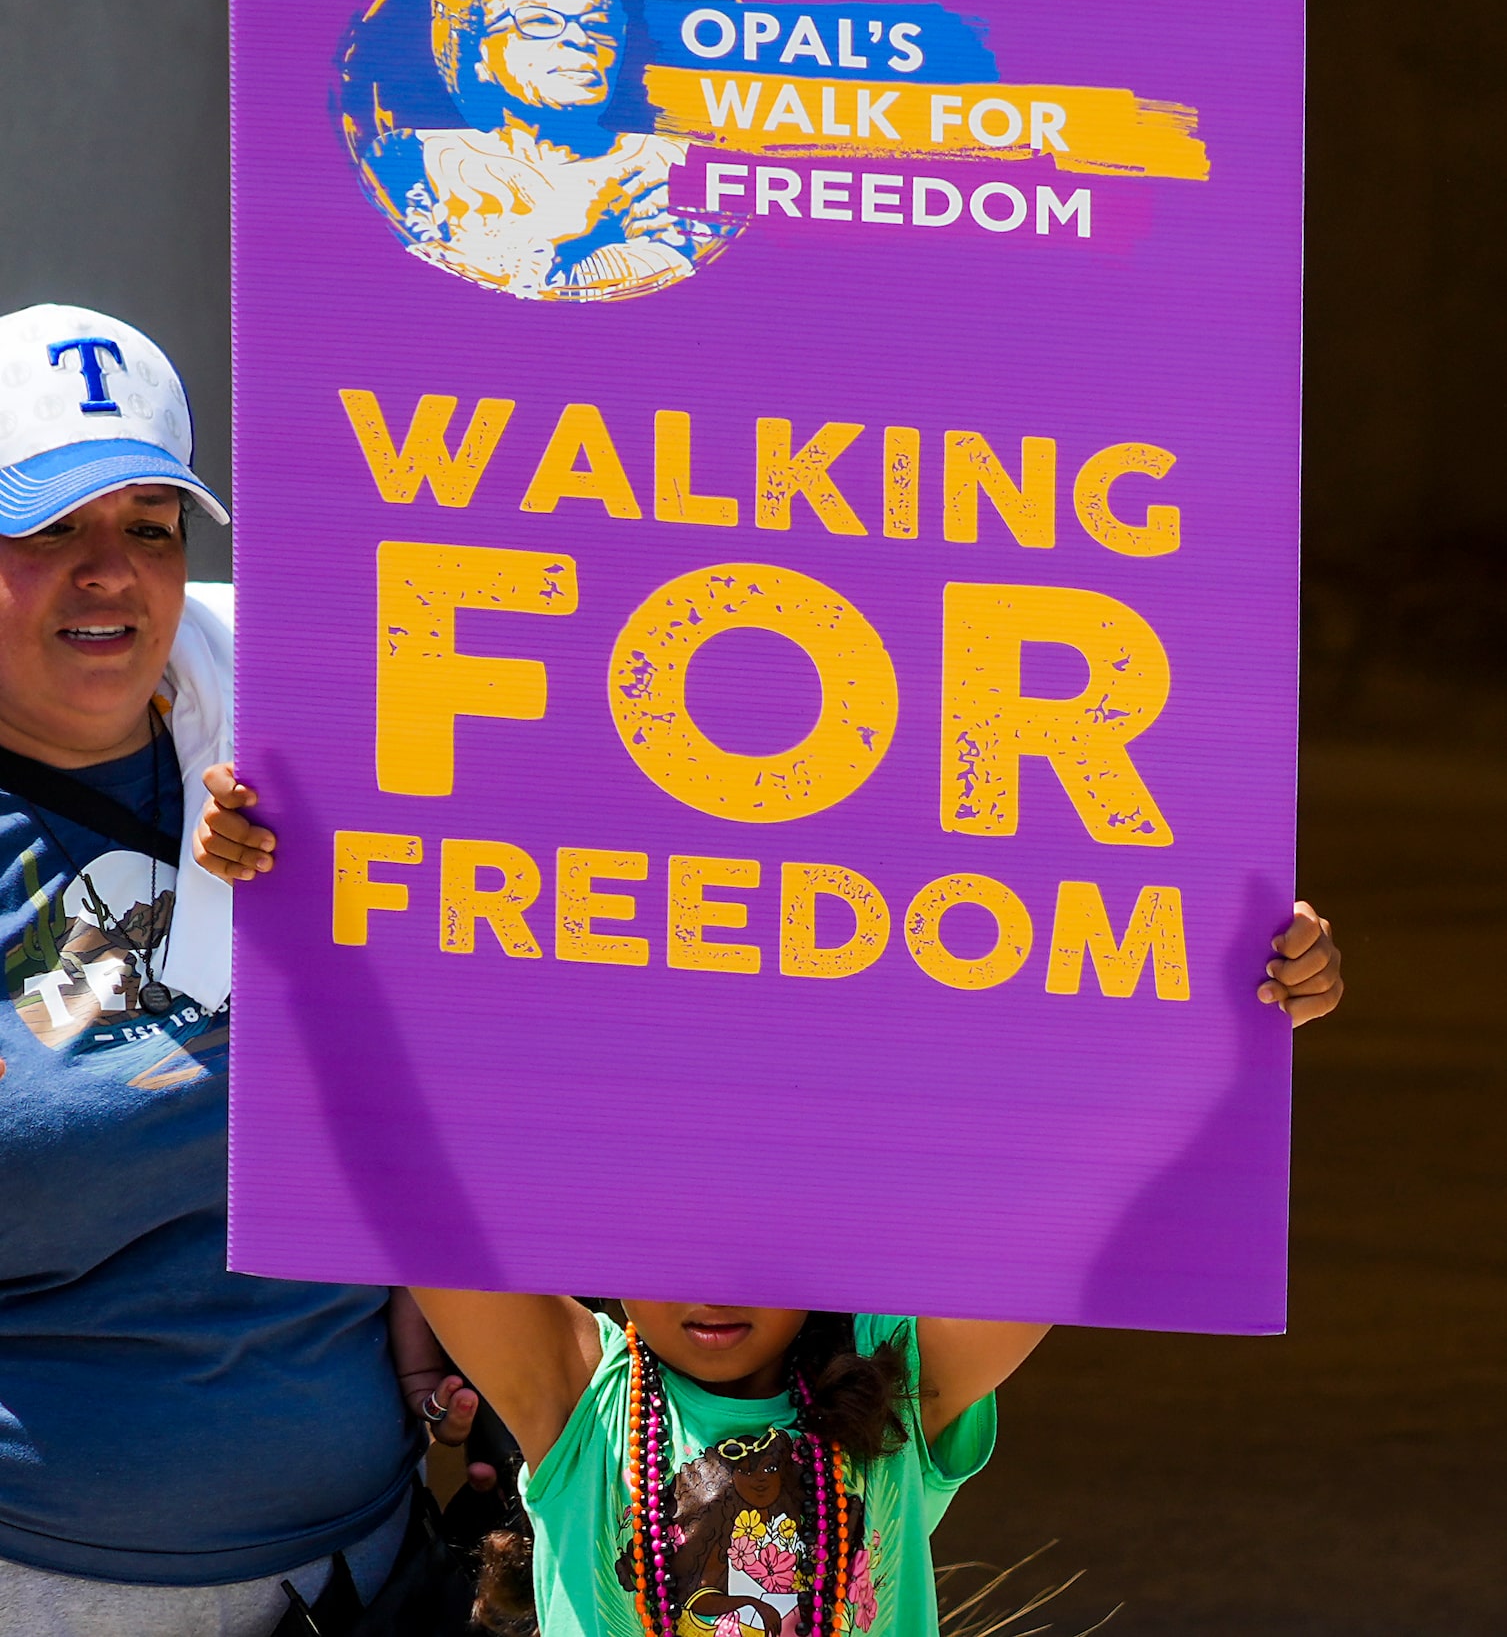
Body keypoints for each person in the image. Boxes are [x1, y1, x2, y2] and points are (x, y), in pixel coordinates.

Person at [199, 698, 1344, 1634]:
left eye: (760, 1243)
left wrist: (1232, 1018)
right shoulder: (572, 1399)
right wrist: (292, 913)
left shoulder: (898, 1400)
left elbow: (1076, 1197)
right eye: (669, 1244)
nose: (716, 1287)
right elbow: (400, 1181)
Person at [0, 303, 491, 1636]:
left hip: (358, 1578)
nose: (111, 571)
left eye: (149, 525)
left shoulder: (314, 737)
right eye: (49, 529)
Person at [355, 0, 734, 302]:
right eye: (539, 22)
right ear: (476, 53)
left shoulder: (677, 163)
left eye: (599, 22)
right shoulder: (407, 161)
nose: (581, 39)